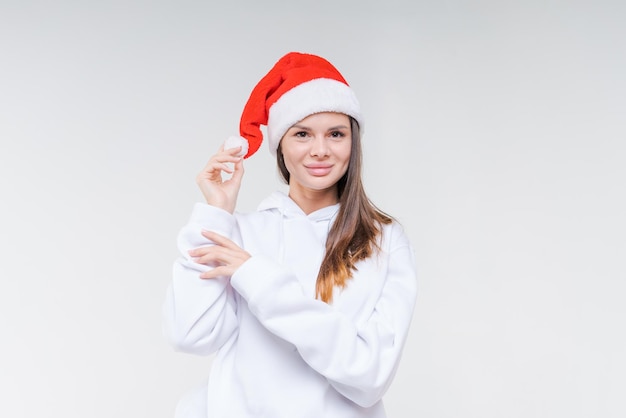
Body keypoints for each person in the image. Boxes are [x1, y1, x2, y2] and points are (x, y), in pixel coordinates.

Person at [162, 51, 418, 418]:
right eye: (302, 134)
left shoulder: (383, 240)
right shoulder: (240, 234)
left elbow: (370, 376)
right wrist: (217, 212)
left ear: (353, 142)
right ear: (280, 143)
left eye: (336, 134)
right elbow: (190, 333)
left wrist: (257, 278)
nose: (320, 150)